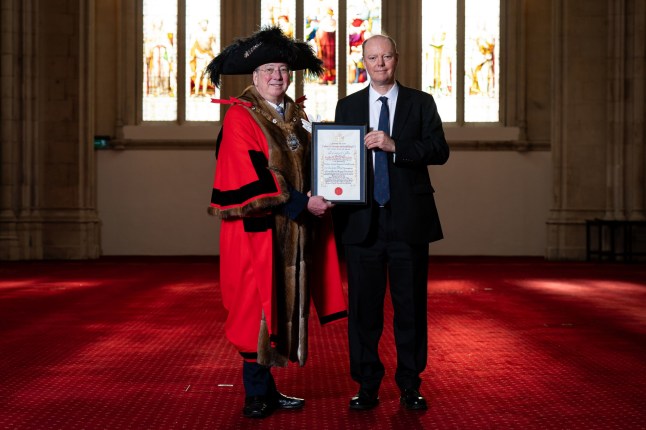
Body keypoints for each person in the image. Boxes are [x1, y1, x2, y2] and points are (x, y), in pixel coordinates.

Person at [205, 26, 346, 419]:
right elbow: (251, 177)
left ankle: (268, 388)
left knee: (281, 309)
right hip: (258, 233)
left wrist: (333, 184)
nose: (276, 76)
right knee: (256, 310)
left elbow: (312, 164)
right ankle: (254, 394)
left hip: (292, 232)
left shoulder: (293, 118)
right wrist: (305, 202)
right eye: (268, 69)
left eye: (282, 69)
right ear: (253, 76)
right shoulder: (241, 117)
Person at [333, 34, 450, 411]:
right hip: (361, 222)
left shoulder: (421, 103)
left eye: (385, 56)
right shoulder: (347, 106)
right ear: (363, 62)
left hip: (408, 222)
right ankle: (367, 385)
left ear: (396, 59)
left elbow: (439, 150)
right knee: (364, 312)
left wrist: (395, 145)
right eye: (372, 58)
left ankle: (410, 384)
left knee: (410, 308)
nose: (379, 64)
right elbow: (338, 159)